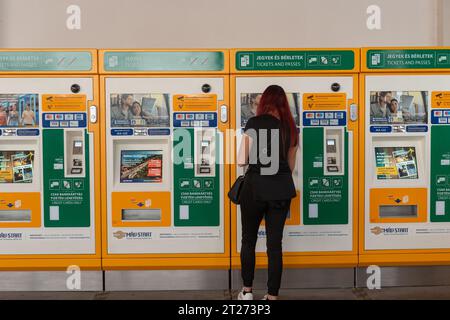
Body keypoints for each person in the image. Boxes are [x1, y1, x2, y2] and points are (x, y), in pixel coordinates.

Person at [236, 85, 298, 300]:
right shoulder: (291, 127)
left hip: (254, 189)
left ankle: (247, 292)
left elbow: (241, 160)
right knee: (274, 245)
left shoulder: (254, 123)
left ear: (264, 102)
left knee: (248, 240)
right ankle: (272, 296)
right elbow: (290, 167)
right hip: (280, 191)